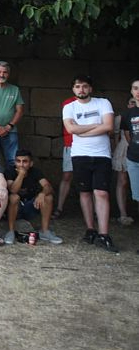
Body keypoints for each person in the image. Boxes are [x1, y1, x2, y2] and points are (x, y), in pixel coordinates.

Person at [62, 75, 117, 252]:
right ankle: (90, 229)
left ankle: (104, 233)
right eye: (78, 87)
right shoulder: (69, 107)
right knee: (85, 192)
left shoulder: (103, 103)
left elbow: (108, 126)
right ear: (73, 89)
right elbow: (71, 129)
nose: (81, 90)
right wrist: (96, 125)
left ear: (90, 89)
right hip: (80, 154)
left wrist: (82, 130)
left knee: (101, 192)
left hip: (101, 155)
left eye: (85, 86)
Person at [4, 150, 63, 245]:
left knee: (48, 197)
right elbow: (13, 190)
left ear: (31, 163)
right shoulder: (10, 171)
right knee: (13, 197)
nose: (21, 164)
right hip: (14, 208)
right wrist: (21, 175)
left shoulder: (35, 172)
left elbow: (48, 186)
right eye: (18, 161)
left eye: (25, 161)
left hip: (30, 206)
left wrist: (42, 194)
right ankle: (11, 231)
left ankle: (45, 231)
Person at [120, 80, 139, 251]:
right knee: (138, 197)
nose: (138, 91)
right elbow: (128, 136)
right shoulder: (128, 114)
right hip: (134, 159)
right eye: (135, 88)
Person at [113, 96, 136, 226]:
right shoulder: (120, 118)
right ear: (127, 105)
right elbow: (116, 137)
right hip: (124, 149)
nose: (133, 105)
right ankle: (123, 214)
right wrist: (116, 152)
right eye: (131, 102)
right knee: (122, 181)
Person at [54, 94, 76, 219]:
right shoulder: (68, 102)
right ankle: (59, 207)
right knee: (67, 175)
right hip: (71, 143)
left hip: (88, 145)